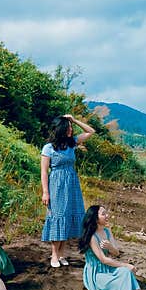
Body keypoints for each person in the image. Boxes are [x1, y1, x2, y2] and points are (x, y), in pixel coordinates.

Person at [41, 114, 95, 267]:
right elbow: (44, 172)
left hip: (72, 185)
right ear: (60, 129)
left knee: (68, 217)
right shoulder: (48, 148)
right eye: (68, 127)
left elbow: (91, 132)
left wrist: (74, 120)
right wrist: (45, 192)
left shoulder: (72, 144)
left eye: (71, 128)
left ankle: (61, 255)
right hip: (56, 185)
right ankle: (54, 255)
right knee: (58, 216)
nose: (71, 130)